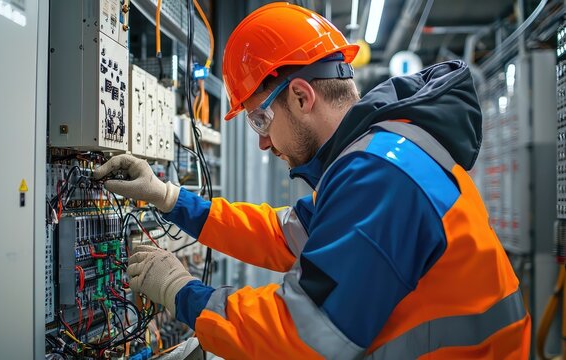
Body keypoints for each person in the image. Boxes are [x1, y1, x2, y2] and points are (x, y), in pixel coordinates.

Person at [94, 3, 530, 359]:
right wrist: (169, 197)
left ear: (302, 97)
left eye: (260, 119)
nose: (263, 143)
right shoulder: (372, 157)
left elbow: (303, 336)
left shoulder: (381, 175)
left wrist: (180, 291)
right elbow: (283, 235)